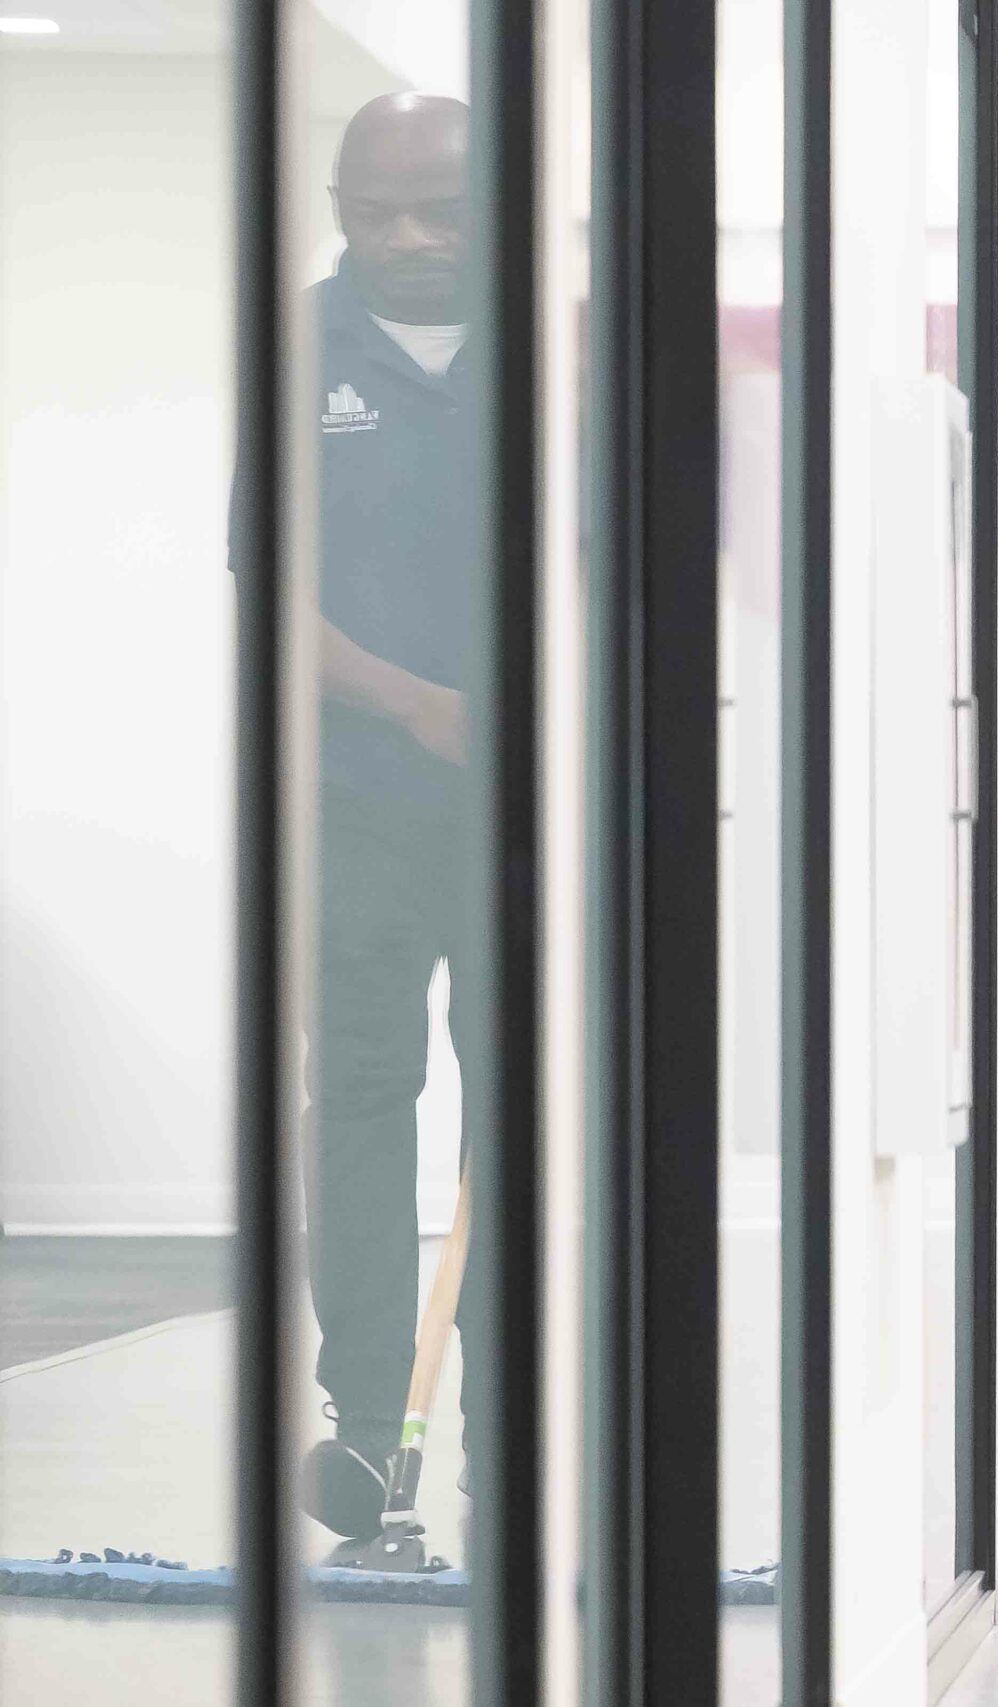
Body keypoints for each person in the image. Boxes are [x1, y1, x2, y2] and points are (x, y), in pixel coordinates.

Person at [269, 92, 486, 1538]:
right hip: (355, 810)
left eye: (437, 210)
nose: (402, 237)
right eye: (372, 209)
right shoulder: (302, 348)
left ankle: (504, 1419)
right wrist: (418, 705)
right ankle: (363, 1423)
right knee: (358, 1098)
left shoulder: (569, 346)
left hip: (529, 824)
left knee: (519, 1115)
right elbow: (269, 597)